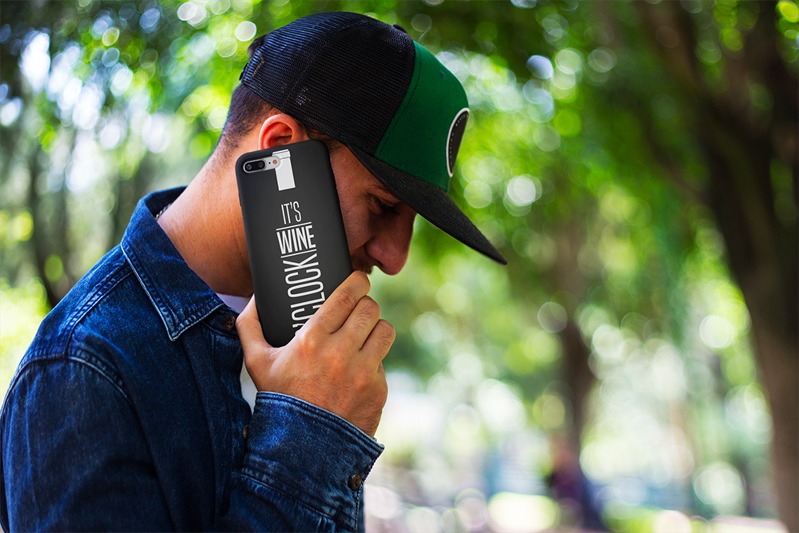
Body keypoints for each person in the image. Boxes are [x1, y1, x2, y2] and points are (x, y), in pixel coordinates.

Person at [0, 11, 505, 531]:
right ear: (281, 147)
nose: (395, 258)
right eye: (382, 205)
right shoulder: (83, 369)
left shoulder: (311, 345)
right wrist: (310, 432)